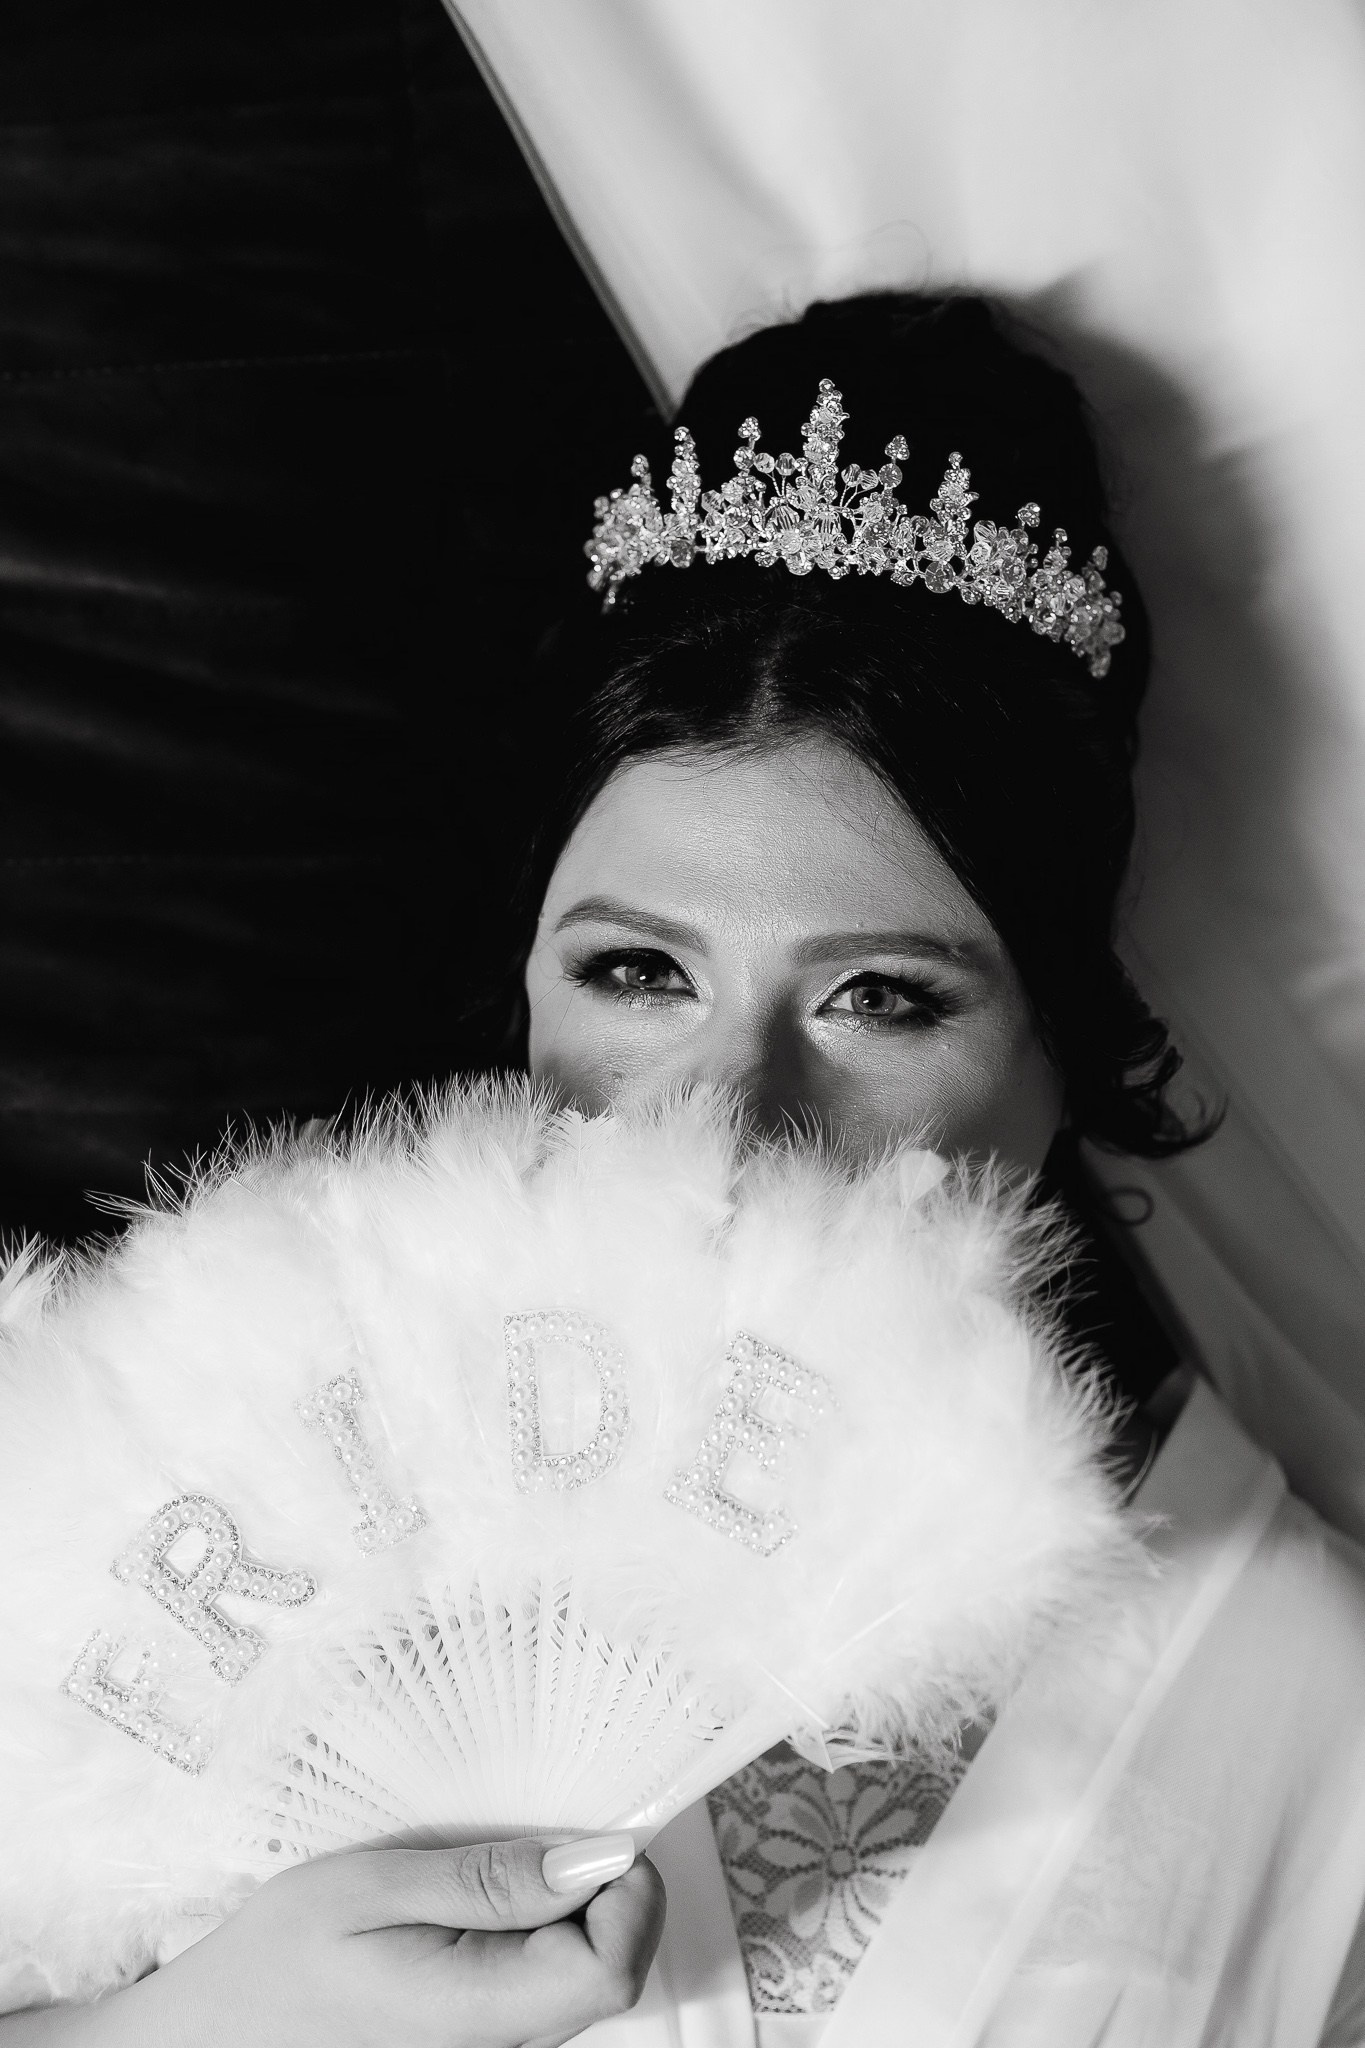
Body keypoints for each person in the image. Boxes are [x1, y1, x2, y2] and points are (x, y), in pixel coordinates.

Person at [9, 292, 1365, 2046]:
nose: (723, 1122)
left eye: (881, 997)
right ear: (524, 986)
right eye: (639, 972)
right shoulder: (216, 1491)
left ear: (1062, 1044)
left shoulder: (1302, 1708)